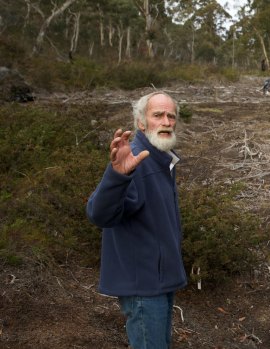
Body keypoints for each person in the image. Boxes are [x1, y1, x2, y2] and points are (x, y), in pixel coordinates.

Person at [86, 91, 187, 349]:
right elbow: (99, 214)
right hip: (143, 287)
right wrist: (116, 176)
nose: (166, 122)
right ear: (141, 123)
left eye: (171, 116)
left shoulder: (161, 159)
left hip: (160, 281)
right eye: (158, 115)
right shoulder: (135, 160)